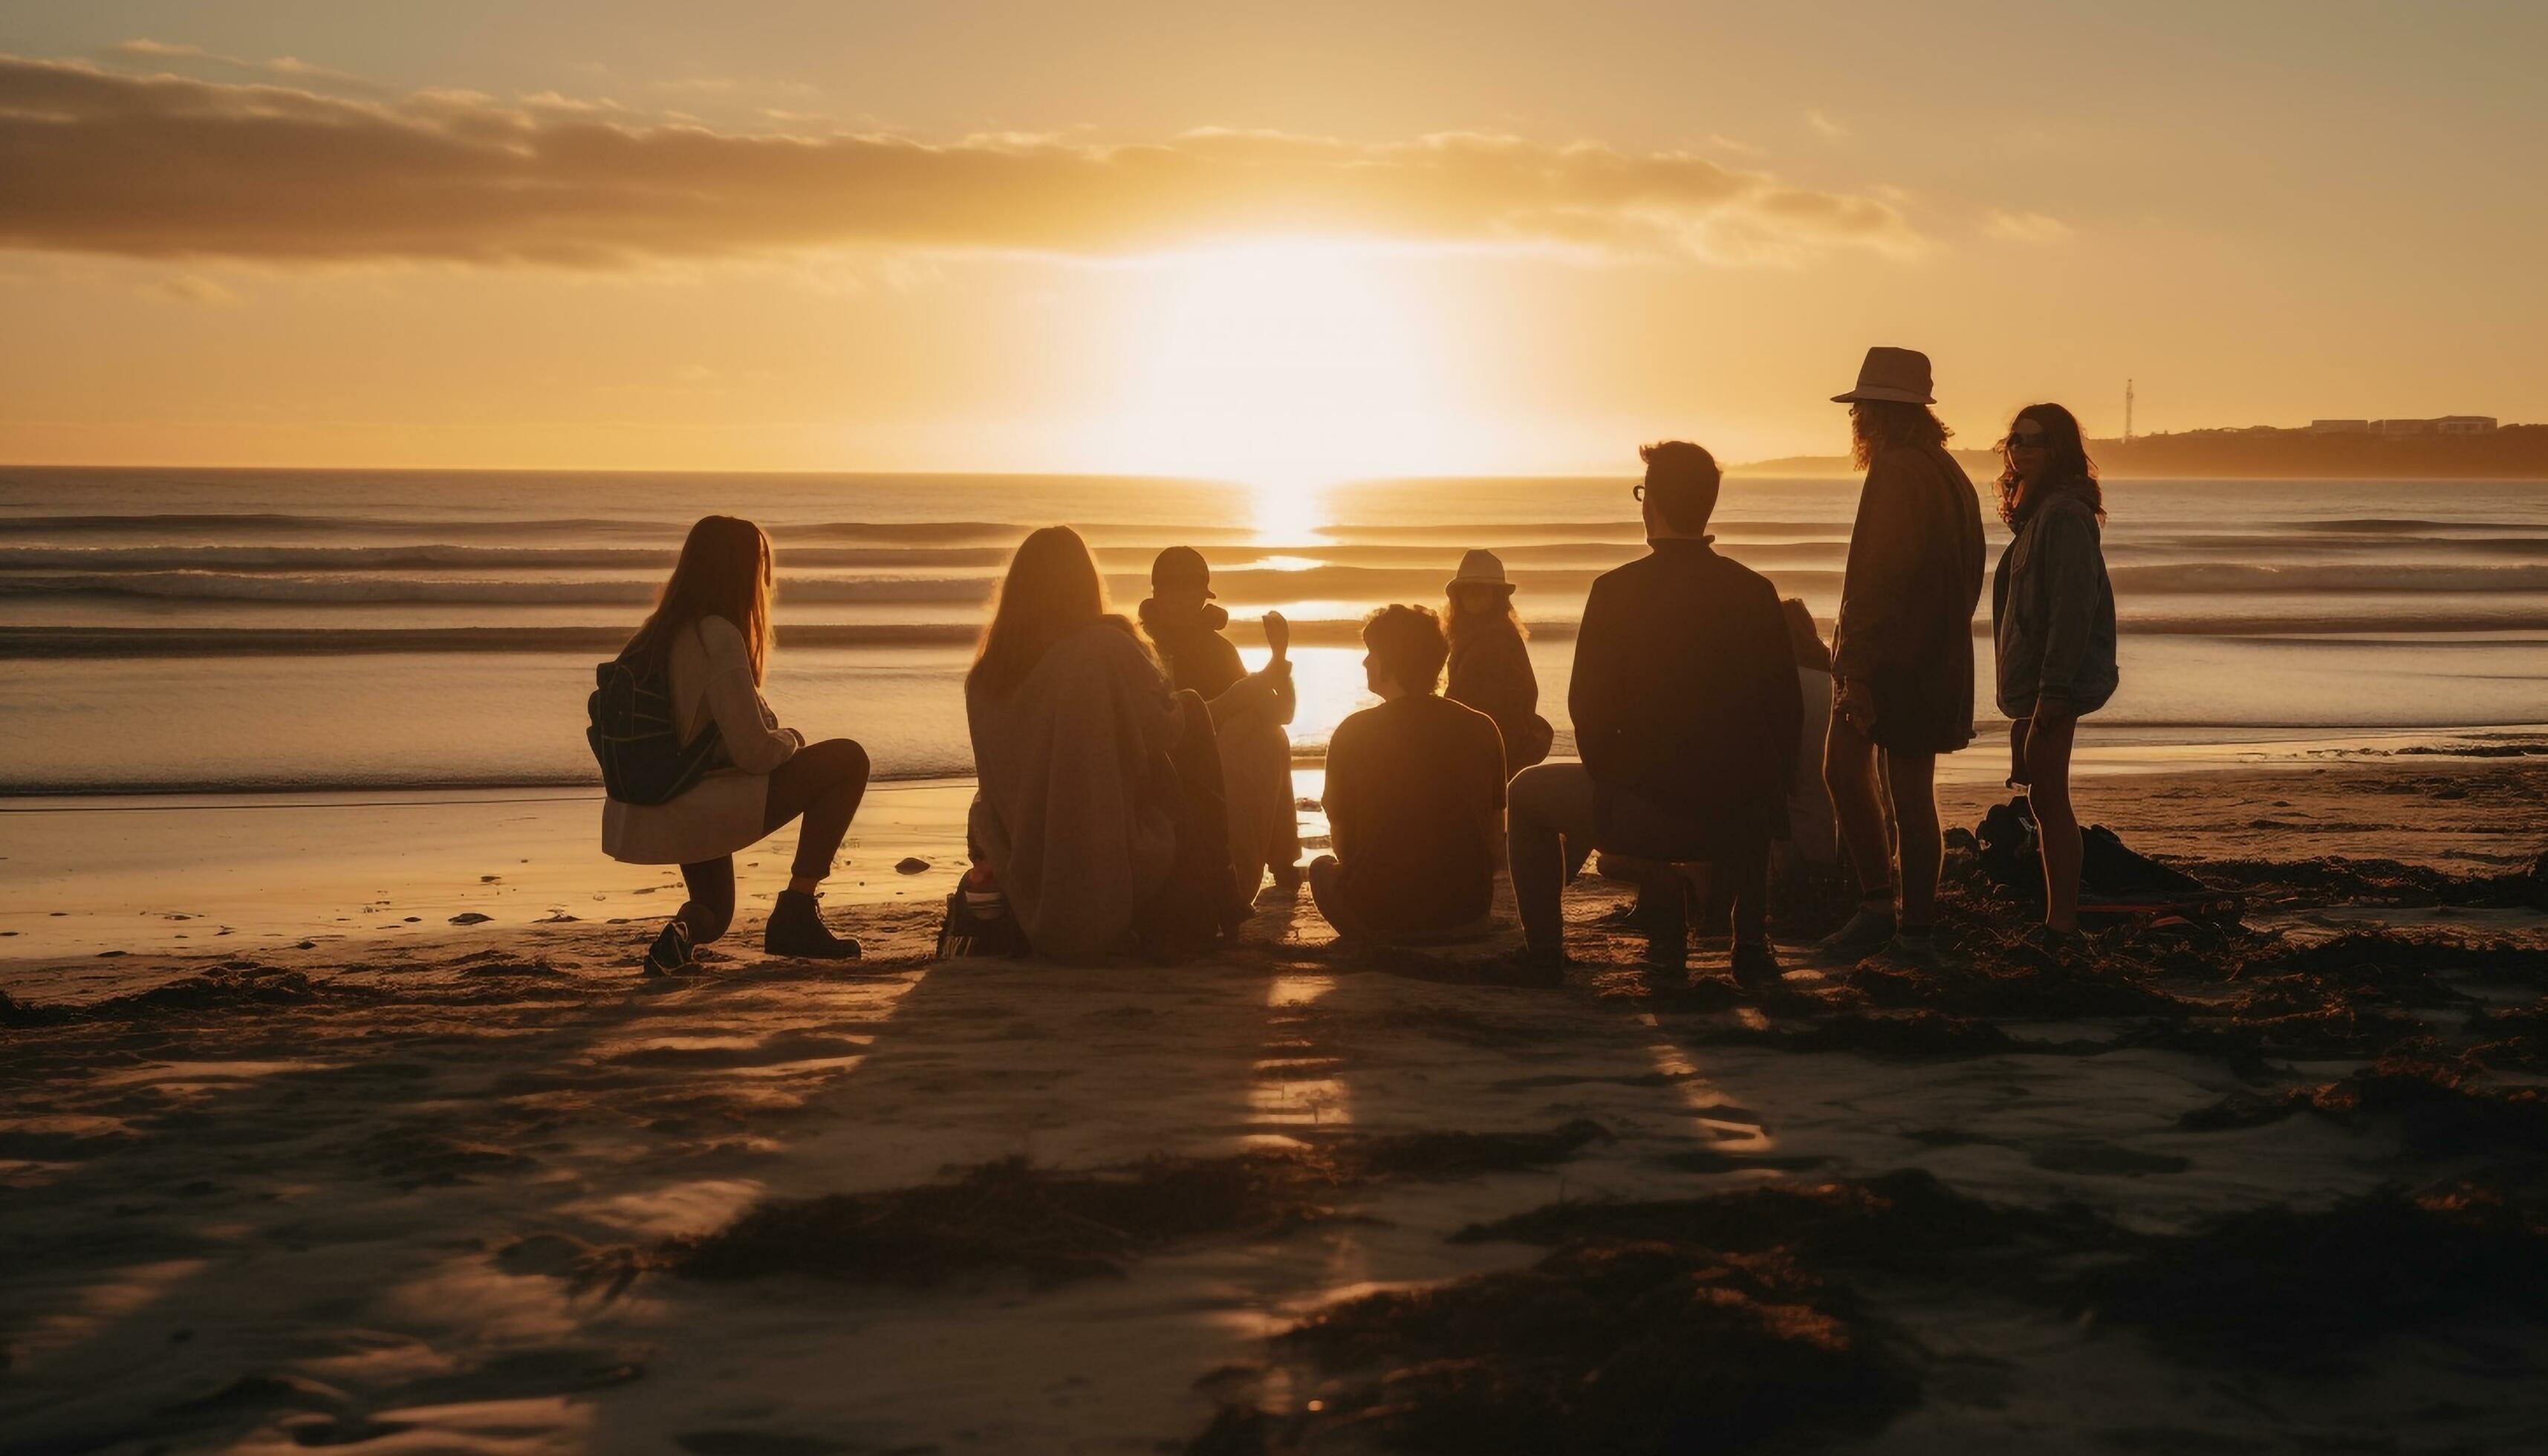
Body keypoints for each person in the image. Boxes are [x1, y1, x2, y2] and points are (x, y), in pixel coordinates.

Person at [1505, 442, 1801, 985]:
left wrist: (1615, 782)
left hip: (1646, 817)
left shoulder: (1616, 591)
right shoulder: (1756, 592)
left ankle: (1544, 951)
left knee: (1524, 791)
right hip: (1739, 823)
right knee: (1752, 782)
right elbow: (1785, 715)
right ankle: (1750, 940)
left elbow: (1587, 710)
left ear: (1653, 503)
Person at [602, 515, 870, 974]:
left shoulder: (654, 634)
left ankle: (680, 934)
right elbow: (753, 753)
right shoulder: (716, 636)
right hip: (697, 800)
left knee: (715, 915)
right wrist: (791, 739)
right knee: (848, 759)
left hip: (658, 801)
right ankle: (797, 910)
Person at [966, 527, 1243, 960]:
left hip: (1022, 876)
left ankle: (1220, 889)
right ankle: (1221, 889)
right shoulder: (1103, 647)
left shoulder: (984, 679)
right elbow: (1167, 729)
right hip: (1110, 861)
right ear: (1084, 585)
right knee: (1190, 707)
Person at [1818, 347, 1987, 966]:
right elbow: (1968, 578)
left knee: (1843, 772)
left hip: (1887, 661)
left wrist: (1855, 670)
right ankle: (1911, 929)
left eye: (1861, 408)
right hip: (1937, 658)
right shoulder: (1948, 473)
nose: (1856, 419)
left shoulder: (1893, 471)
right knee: (1914, 798)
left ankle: (1878, 910)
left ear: (1879, 413)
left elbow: (1874, 578)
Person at [1992, 403, 2119, 949]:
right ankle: (2058, 919)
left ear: (2059, 447)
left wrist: (2051, 693)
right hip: (2039, 686)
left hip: (2053, 685)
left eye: (2035, 439)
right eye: (2015, 438)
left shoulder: (2064, 516)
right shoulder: (2043, 512)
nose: (2021, 448)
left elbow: (2072, 610)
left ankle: (2062, 924)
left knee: (2049, 800)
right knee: (2043, 796)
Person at [1310, 605, 1508, 943]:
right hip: (1468, 913)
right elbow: (1494, 847)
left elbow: (1344, 841)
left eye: (1372, 653)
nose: (1365, 662)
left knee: (1321, 869)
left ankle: (1377, 928)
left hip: (1385, 916)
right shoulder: (1483, 727)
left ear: (1392, 660)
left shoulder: (1353, 731)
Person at [1138, 546, 1302, 900]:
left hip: (1214, 759)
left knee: (1270, 736)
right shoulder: (1141, 648)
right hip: (1161, 762)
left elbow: (1278, 714)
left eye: (1191, 592)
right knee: (1265, 735)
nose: (1184, 601)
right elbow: (1155, 726)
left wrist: (1279, 661)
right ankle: (1276, 862)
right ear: (1158, 594)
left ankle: (1282, 859)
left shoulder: (1218, 649)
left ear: (1203, 596)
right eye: (1176, 591)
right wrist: (1247, 691)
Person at [1443, 549, 1554, 772]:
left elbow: (1500, 708)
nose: (1474, 595)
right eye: (1469, 590)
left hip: (1490, 750)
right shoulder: (1482, 634)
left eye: (1482, 590)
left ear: (1496, 596)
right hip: (1489, 747)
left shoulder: (1495, 641)